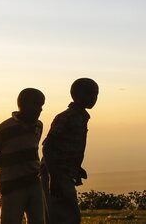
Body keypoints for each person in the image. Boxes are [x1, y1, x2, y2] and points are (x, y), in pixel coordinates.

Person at [40, 78, 99, 224]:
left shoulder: (81, 117)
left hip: (63, 172)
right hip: (55, 172)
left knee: (66, 214)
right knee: (64, 216)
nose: (94, 98)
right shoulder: (66, 117)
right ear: (76, 95)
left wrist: (76, 167)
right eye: (89, 94)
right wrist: (53, 178)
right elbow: (47, 146)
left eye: (96, 94)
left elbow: (67, 147)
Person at [0, 88, 46, 224]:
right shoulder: (3, 129)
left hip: (34, 182)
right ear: (22, 104)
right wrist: (14, 162)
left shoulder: (38, 126)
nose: (40, 109)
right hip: (12, 186)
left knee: (38, 220)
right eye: (36, 104)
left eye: (41, 105)